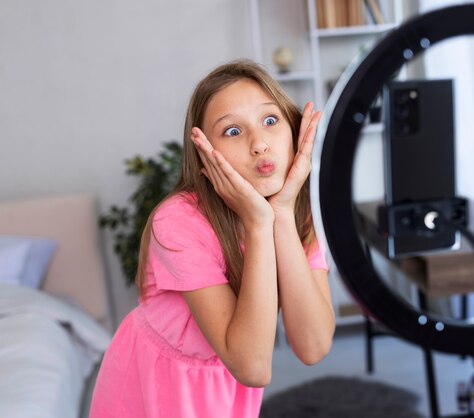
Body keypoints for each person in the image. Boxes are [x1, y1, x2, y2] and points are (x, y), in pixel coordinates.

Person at [89, 59, 336, 418]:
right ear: (206, 157)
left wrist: (280, 215)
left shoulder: (298, 213)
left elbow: (313, 346)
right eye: (232, 132)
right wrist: (257, 223)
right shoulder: (177, 221)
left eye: (270, 121)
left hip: (226, 388)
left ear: (295, 131)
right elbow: (253, 367)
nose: (259, 144)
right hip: (156, 389)